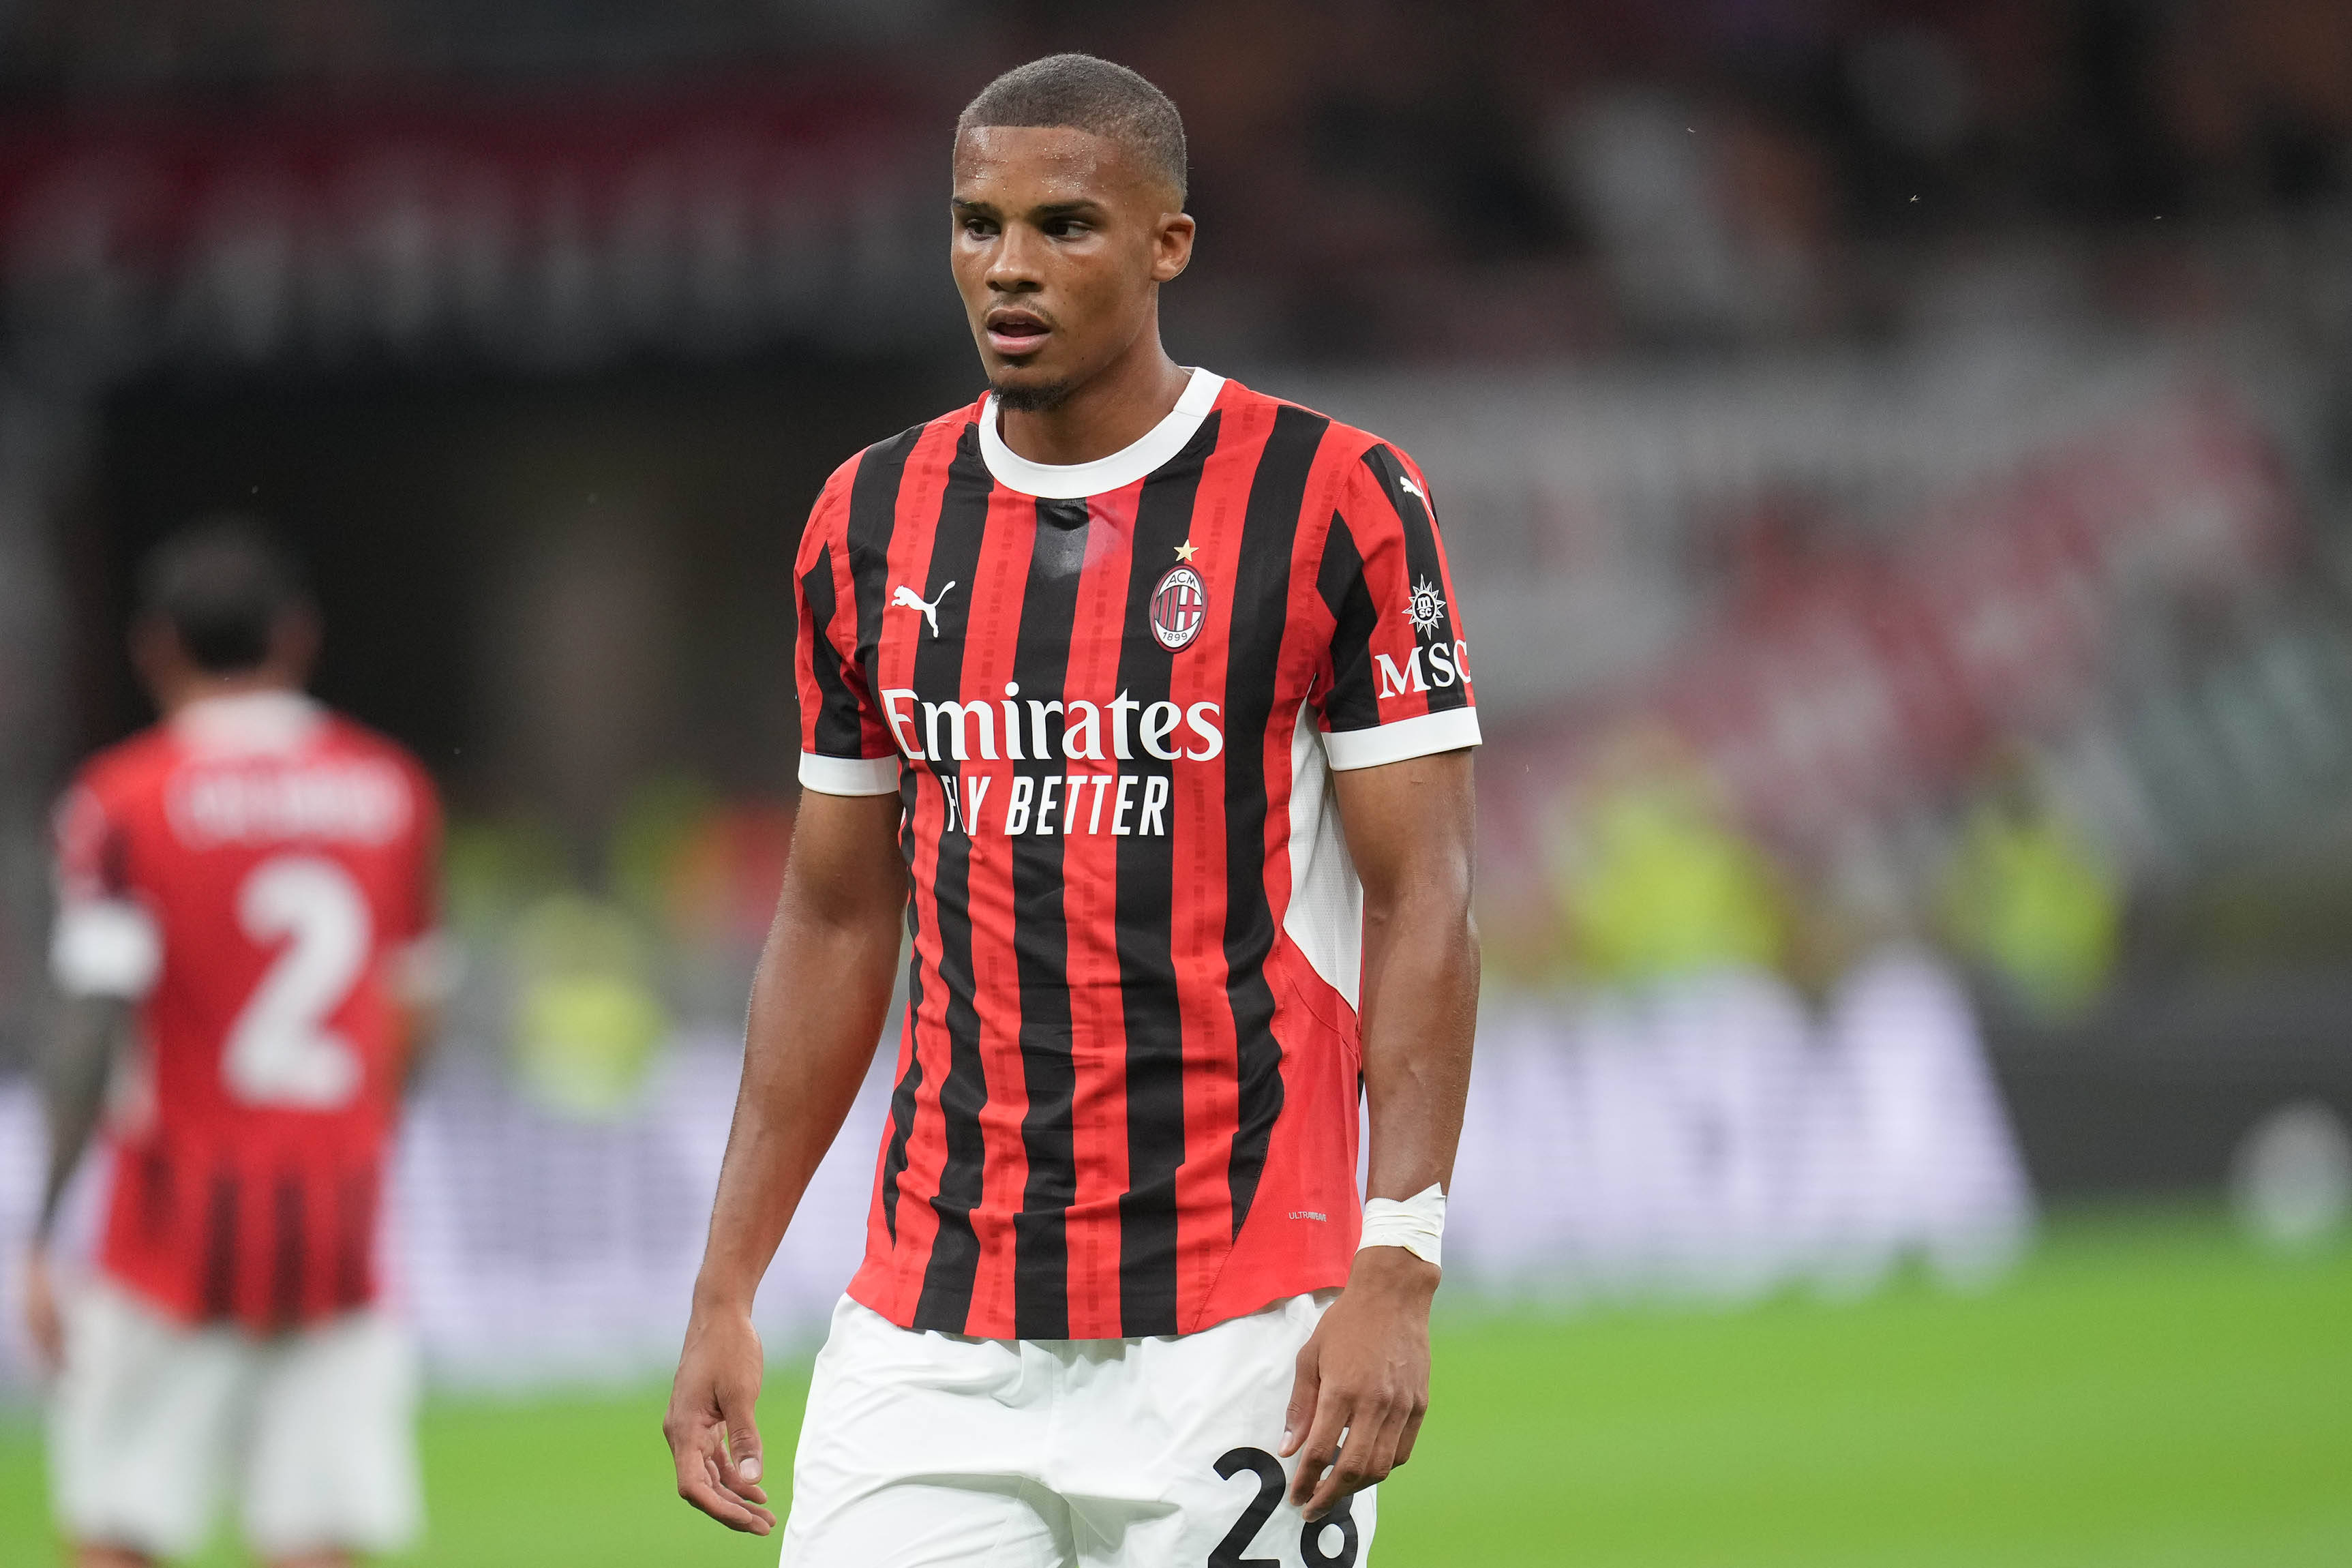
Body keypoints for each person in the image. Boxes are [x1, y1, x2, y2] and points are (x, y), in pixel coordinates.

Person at [664, 53, 1480, 1567]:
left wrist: (1400, 1263)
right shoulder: (866, 521)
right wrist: (728, 1279)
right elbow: (838, 914)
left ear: (1170, 242)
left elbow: (1425, 898)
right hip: (930, 1326)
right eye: (976, 225)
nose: (1009, 268)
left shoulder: (1338, 497)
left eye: (1064, 226)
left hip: (1240, 1319)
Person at [24, 520, 444, 1568]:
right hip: (337, 1227)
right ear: (297, 638)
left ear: (153, 647)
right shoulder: (392, 790)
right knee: (314, 1539)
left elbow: (91, 1017)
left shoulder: (123, 800)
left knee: (122, 1530)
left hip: (170, 1224)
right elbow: (416, 1008)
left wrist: (43, 1224)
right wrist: (364, 1136)